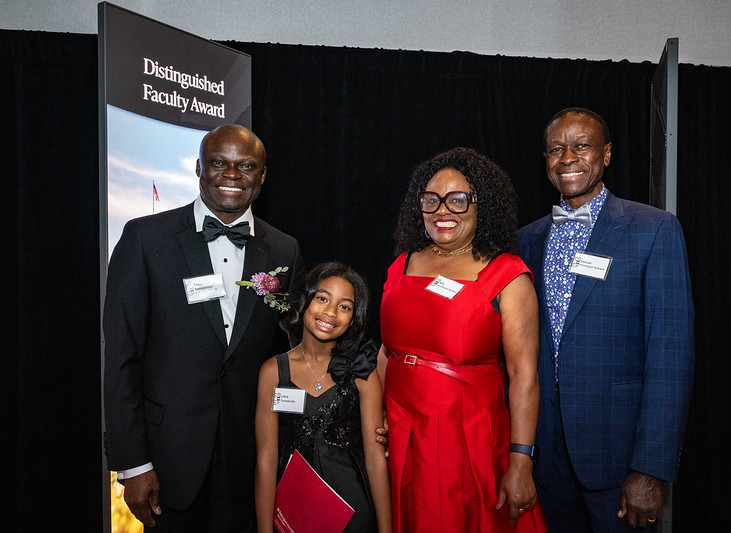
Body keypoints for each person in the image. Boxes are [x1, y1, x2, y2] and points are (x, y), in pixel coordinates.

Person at [103, 124, 304, 532]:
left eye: (246, 166)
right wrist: (133, 463)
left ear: (262, 176)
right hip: (167, 458)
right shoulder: (145, 238)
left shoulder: (285, 248)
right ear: (198, 167)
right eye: (218, 163)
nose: (232, 176)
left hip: (249, 458)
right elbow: (121, 357)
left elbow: (295, 354)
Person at [517, 108, 695, 531]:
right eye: (556, 150)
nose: (567, 158)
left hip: (618, 460)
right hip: (544, 459)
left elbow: (671, 357)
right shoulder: (526, 240)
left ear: (607, 154)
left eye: (581, 146)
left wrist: (650, 468)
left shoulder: (654, 230)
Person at [379, 147, 548, 532]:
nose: (443, 210)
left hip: (466, 438)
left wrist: (521, 460)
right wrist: (380, 418)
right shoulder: (401, 264)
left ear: (481, 205)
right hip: (404, 435)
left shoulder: (507, 274)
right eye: (432, 199)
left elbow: (524, 375)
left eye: (458, 199)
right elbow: (387, 352)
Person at [254, 262, 392, 532]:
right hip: (293, 507)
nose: (330, 312)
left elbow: (376, 460)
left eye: (344, 306)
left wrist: (386, 529)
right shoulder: (273, 371)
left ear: (353, 319)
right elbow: (266, 460)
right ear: (305, 300)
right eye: (323, 298)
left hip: (352, 508)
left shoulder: (362, 371)